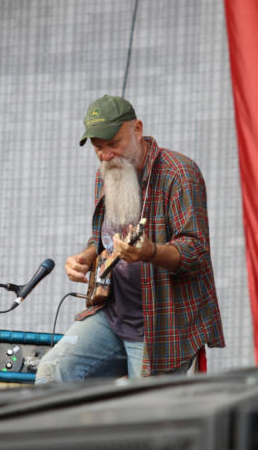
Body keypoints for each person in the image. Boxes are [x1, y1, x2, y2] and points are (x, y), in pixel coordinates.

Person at [36, 95, 225, 383]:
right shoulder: (107, 173)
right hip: (112, 315)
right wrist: (88, 255)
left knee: (143, 414)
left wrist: (150, 252)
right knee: (52, 373)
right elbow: (105, 238)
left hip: (161, 326)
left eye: (114, 144)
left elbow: (195, 251)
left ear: (138, 129)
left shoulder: (179, 173)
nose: (107, 155)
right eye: (99, 148)